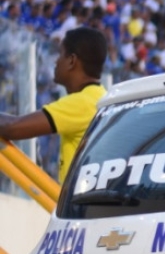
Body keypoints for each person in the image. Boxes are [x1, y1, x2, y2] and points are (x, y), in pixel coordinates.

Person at [0, 27, 109, 183]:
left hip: (79, 198)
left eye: (60, 54)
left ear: (71, 61)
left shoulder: (82, 103)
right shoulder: (100, 97)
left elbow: (12, 127)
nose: (56, 61)